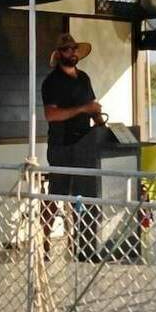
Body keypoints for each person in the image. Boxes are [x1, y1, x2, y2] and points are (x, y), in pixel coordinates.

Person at [40, 33, 105, 258]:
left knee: (82, 194)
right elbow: (50, 114)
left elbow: (92, 106)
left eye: (74, 48)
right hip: (61, 145)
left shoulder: (84, 78)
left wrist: (100, 123)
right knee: (56, 194)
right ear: (59, 54)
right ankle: (44, 239)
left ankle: (81, 241)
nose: (72, 53)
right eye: (67, 49)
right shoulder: (51, 82)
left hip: (85, 145)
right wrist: (81, 110)